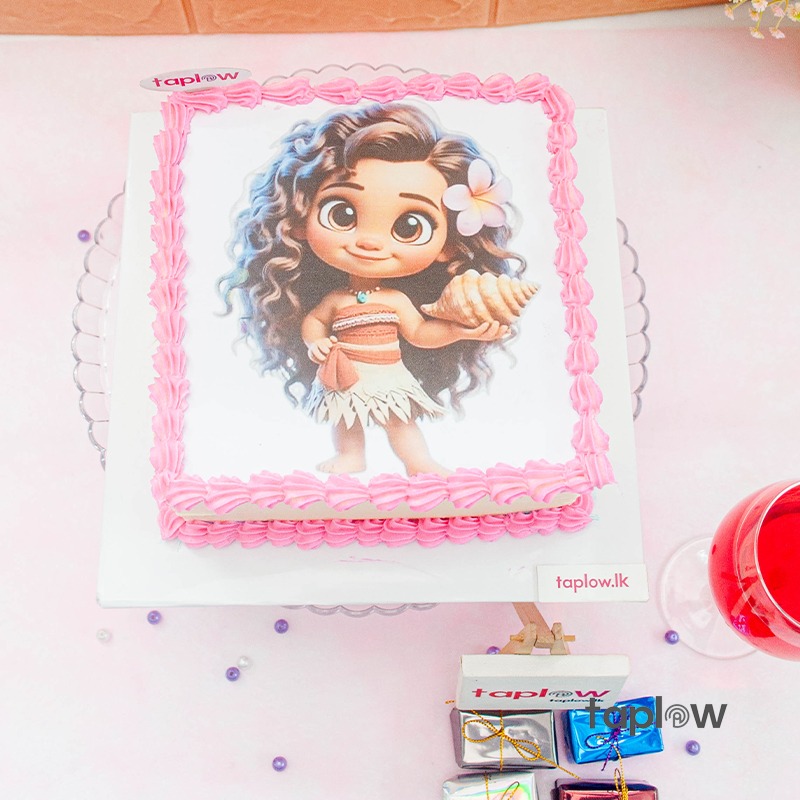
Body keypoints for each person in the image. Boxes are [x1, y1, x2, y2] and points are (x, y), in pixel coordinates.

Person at [220, 102, 526, 476]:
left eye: (410, 226)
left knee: (399, 419)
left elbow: (419, 333)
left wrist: (458, 330)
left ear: (448, 245)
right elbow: (315, 322)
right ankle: (352, 456)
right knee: (345, 416)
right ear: (299, 219)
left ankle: (418, 461)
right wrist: (316, 342)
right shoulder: (335, 300)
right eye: (342, 213)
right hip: (346, 370)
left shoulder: (395, 301)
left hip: (387, 372)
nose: (369, 242)